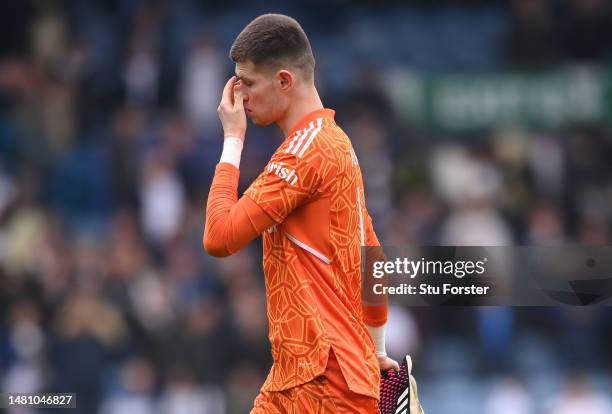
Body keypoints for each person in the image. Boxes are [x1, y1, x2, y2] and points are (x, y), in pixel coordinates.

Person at [204, 13, 398, 413]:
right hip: (300, 376)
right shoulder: (339, 144)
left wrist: (232, 139)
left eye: (249, 84)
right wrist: (376, 350)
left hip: (325, 381)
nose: (240, 97)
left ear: (284, 82)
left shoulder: (303, 154)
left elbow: (219, 237)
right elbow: (372, 255)